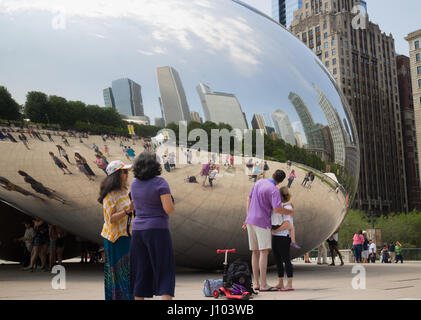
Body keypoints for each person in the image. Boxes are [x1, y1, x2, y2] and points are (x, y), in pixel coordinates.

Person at [130, 152, 176, 300]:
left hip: (138, 229)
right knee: (165, 268)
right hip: (157, 228)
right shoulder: (160, 183)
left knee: (141, 269)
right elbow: (168, 208)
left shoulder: (134, 183)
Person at [242, 170, 294, 292]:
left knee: (254, 252)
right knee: (263, 252)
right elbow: (277, 209)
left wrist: (247, 216)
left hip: (250, 220)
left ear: (272, 175)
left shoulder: (259, 182)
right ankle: (264, 284)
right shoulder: (274, 190)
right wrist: (289, 212)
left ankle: (256, 283)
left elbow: (248, 199)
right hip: (262, 222)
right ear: (281, 181)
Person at [99, 160, 134, 300]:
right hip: (115, 238)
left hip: (127, 236)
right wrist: (127, 211)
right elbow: (109, 219)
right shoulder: (110, 195)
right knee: (117, 273)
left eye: (127, 171)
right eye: (124, 172)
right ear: (116, 175)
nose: (127, 174)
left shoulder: (126, 191)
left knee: (128, 271)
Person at [271, 187, 296, 291]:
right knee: (278, 260)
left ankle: (289, 284)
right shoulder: (280, 206)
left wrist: (275, 231)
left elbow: (287, 224)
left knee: (286, 260)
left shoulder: (288, 208)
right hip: (276, 237)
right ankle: (280, 282)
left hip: (283, 237)